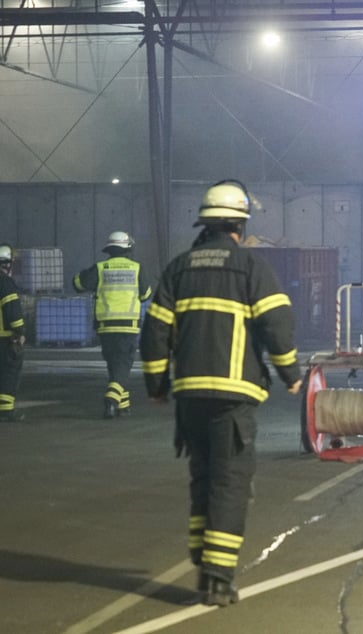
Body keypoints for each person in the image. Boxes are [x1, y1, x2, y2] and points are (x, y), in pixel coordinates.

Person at [140, 180, 302, 607]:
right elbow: (277, 324)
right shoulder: (252, 268)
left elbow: (154, 332)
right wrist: (291, 373)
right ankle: (217, 579)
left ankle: (202, 558)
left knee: (203, 476)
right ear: (239, 224)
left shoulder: (178, 268)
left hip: (190, 397)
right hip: (233, 398)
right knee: (229, 484)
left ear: (205, 223)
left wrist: (156, 385)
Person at [72, 231, 153, 418]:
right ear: (128, 248)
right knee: (124, 365)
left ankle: (123, 406)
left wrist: (83, 273)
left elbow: (78, 284)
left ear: (109, 249)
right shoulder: (137, 268)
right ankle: (111, 399)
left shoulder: (101, 267)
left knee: (114, 364)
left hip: (105, 325)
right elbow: (146, 295)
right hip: (127, 325)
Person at [0, 244, 26, 422]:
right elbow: (12, 310)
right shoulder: (5, 282)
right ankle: (6, 410)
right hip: (3, 336)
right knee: (9, 371)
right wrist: (20, 331)